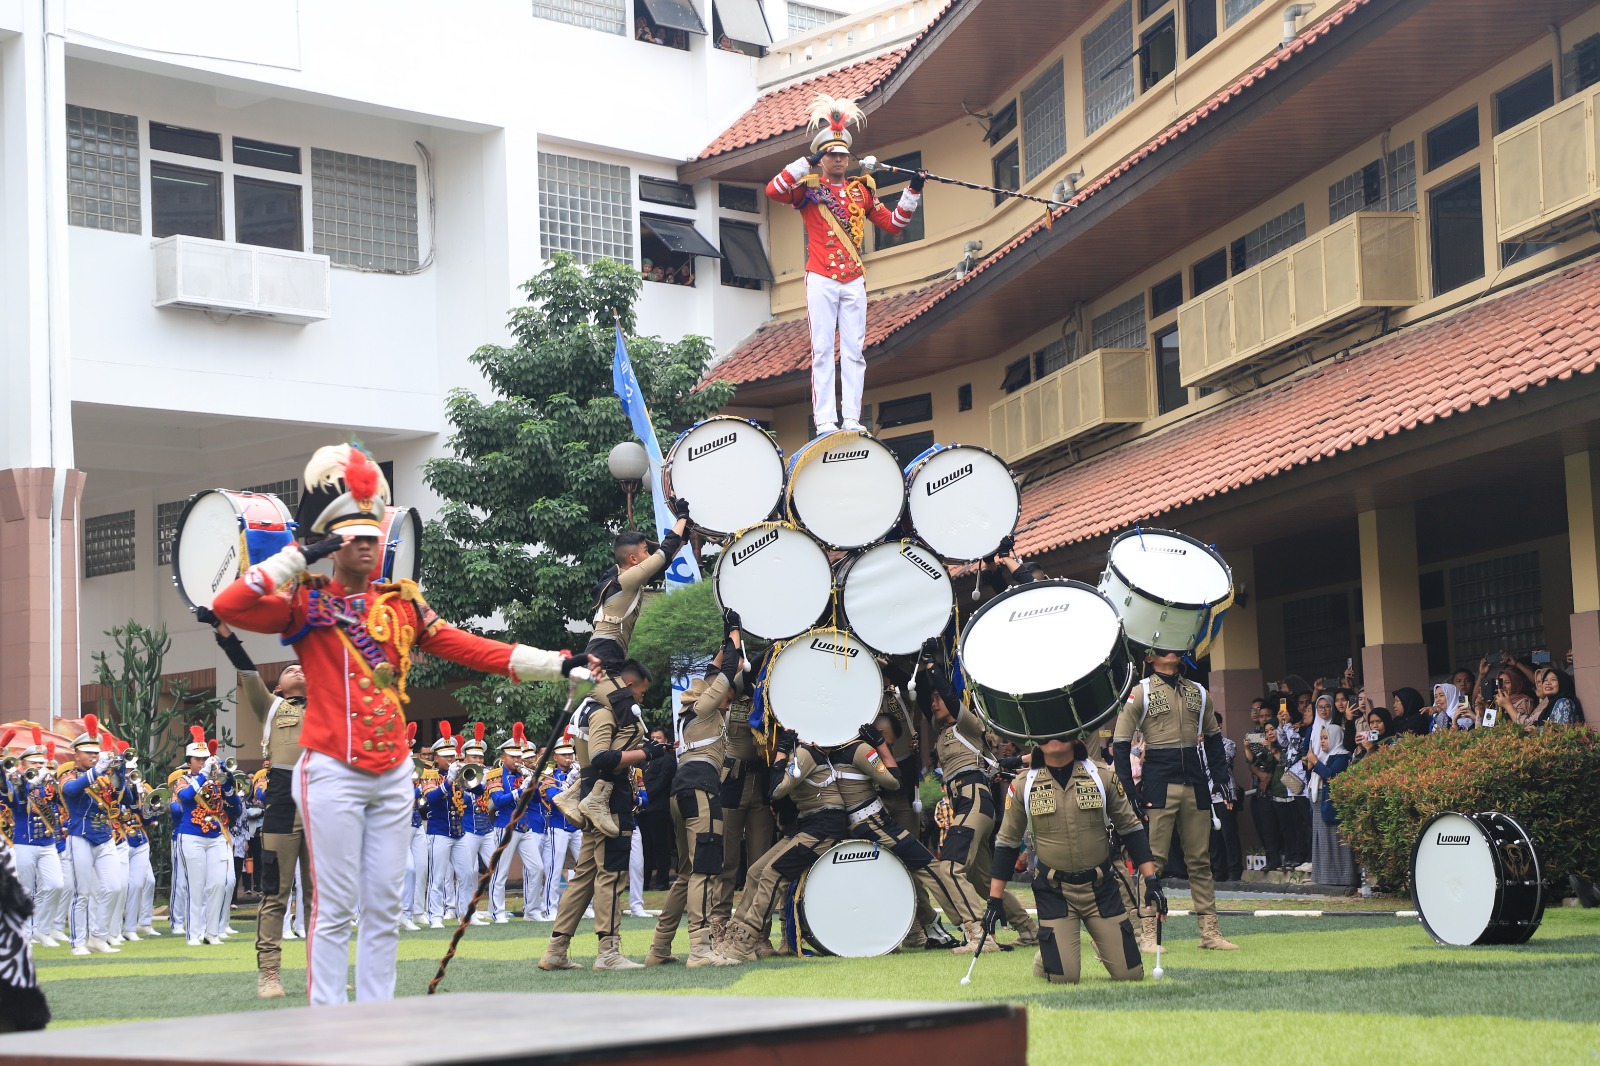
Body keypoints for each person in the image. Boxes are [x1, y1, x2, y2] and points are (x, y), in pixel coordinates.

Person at [212, 441, 570, 1005]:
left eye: (372, 534)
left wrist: (557, 666)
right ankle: (329, 1021)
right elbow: (231, 604)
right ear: (333, 542)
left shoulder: (404, 605)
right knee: (335, 906)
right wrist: (300, 555)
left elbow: (469, 648)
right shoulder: (307, 603)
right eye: (352, 537)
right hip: (330, 767)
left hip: (393, 771)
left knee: (385, 903)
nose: (368, 545)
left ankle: (377, 1018)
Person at [766, 93, 924, 435]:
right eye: (831, 155)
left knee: (854, 352)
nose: (838, 160)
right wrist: (804, 162)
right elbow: (774, 190)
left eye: (841, 155)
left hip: (853, 278)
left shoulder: (861, 191)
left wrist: (913, 189)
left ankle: (852, 418)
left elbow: (894, 224)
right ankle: (825, 420)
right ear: (823, 158)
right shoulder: (809, 188)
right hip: (821, 275)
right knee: (822, 349)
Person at [986, 734, 1161, 984]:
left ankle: (1098, 940)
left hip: (1101, 889)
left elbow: (1132, 831)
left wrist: (1152, 881)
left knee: (1130, 974)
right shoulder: (1024, 784)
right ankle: (1050, 951)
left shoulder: (1102, 776)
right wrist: (995, 901)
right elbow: (1006, 845)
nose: (1052, 737)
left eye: (1059, 730)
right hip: (1054, 891)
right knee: (1064, 977)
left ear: (1075, 734)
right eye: (1044, 733)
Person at [200, 612, 309, 998]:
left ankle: (321, 974)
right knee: (276, 890)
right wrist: (222, 630)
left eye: (302, 666)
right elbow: (244, 666)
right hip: (282, 796)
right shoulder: (271, 706)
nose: (298, 668)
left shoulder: (329, 703)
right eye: (289, 668)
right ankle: (270, 974)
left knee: (321, 894)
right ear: (277, 687)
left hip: (323, 796)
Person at [539, 660, 669, 971]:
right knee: (611, 873)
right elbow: (602, 758)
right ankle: (608, 951)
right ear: (626, 685)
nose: (641, 698)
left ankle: (556, 950)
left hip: (595, 796)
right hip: (609, 799)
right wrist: (647, 752)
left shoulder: (590, 708)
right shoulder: (603, 711)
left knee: (583, 876)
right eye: (640, 691)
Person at [1112, 649, 1239, 951]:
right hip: (1157, 781)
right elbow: (1119, 744)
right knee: (1152, 860)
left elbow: (1212, 737)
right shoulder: (1139, 692)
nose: (1173, 650)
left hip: (1195, 780)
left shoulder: (1199, 691)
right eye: (1164, 646)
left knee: (1200, 859)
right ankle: (1148, 933)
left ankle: (1210, 932)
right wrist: (1129, 791)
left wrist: (1221, 776)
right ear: (1150, 656)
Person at [915, 642, 1037, 952]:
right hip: (966, 804)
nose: (933, 703)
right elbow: (920, 701)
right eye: (931, 700)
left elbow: (952, 698)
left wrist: (934, 668)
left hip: (974, 798)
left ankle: (980, 935)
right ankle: (1029, 930)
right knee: (983, 881)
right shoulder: (942, 731)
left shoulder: (969, 725)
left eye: (937, 699)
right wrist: (917, 668)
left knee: (950, 868)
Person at [647, 618, 743, 967]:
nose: (727, 696)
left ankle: (659, 948)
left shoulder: (690, 716)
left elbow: (714, 669)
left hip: (680, 792)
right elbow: (728, 672)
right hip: (702, 790)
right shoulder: (705, 709)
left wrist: (723, 642)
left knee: (686, 874)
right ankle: (701, 949)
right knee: (704, 869)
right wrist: (735, 635)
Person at [710, 726, 847, 964]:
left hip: (824, 826)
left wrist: (781, 755)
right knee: (755, 872)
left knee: (773, 874)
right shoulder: (798, 752)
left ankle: (745, 941)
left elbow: (776, 791)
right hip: (807, 825)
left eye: (760, 740)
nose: (755, 746)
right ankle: (734, 935)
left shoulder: (802, 754)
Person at [58, 717, 129, 956]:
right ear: (76, 755)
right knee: (82, 892)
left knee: (115, 887)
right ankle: (78, 942)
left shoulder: (104, 776)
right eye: (87, 752)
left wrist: (120, 772)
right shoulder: (69, 774)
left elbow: (126, 798)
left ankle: (98, 936)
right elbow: (69, 791)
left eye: (95, 752)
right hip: (80, 836)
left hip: (104, 835)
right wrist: (94, 773)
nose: (93, 756)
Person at [172, 728, 242, 948]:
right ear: (189, 761)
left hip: (216, 836)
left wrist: (227, 780)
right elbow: (184, 797)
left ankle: (212, 932)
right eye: (198, 759)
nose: (202, 761)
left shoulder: (217, 780)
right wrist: (203, 775)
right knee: (196, 885)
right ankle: (194, 933)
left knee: (218, 884)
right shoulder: (182, 780)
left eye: (205, 758)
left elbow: (236, 809)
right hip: (191, 835)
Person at [3, 730, 66, 949]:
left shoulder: (48, 784)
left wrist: (51, 781)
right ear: (22, 764)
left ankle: (42, 929)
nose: (39, 766)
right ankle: (24, 932)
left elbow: (61, 802)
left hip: (47, 843)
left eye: (42, 762)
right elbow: (15, 799)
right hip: (24, 842)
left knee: (56, 885)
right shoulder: (17, 782)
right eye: (34, 762)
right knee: (26, 889)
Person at [489, 728, 540, 925]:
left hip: (524, 826)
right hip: (505, 826)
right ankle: (497, 912)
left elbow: (535, 801)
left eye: (519, 757)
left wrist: (533, 783)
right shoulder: (494, 775)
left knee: (537, 868)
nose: (518, 761)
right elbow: (499, 801)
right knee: (501, 871)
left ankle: (532, 910)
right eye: (513, 757)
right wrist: (520, 790)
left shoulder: (524, 773)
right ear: (503, 756)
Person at [421, 730, 468, 929]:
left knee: (467, 874)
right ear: (436, 757)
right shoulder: (429, 775)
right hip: (438, 831)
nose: (451, 759)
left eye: (453, 755)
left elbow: (476, 794)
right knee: (437, 877)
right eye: (446, 756)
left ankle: (465, 915)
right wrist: (448, 782)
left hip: (459, 831)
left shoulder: (459, 775)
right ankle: (435, 916)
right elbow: (430, 799)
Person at [1304, 723, 1358, 889]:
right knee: (1322, 840)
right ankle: (1324, 876)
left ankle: (1342, 878)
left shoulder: (1341, 757)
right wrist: (1310, 765)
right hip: (1319, 803)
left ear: (1335, 738)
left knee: (1335, 842)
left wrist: (1315, 762)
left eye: (1326, 738)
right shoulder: (1324, 756)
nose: (1322, 742)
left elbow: (1330, 775)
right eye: (1321, 738)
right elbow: (1314, 776)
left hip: (1331, 804)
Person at [537, 744, 582, 921]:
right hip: (558, 826)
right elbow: (554, 799)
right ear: (555, 757)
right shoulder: (549, 775)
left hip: (577, 825)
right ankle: (550, 908)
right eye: (563, 754)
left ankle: (587, 907)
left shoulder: (580, 772)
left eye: (570, 753)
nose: (568, 757)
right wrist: (569, 784)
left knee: (586, 867)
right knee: (555, 869)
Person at [458, 726, 496, 924]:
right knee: (469, 871)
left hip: (486, 828)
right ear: (465, 759)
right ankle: (466, 912)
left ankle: (495, 911)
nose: (479, 761)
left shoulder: (488, 775)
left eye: (481, 757)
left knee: (494, 868)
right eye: (474, 757)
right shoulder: (459, 775)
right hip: (467, 829)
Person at [639, 727, 676, 892]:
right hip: (642, 810)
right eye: (652, 737)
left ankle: (662, 882)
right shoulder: (643, 760)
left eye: (659, 737)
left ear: (666, 740)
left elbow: (661, 784)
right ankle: (644, 882)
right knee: (644, 847)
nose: (655, 740)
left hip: (658, 808)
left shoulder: (667, 760)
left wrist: (644, 796)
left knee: (661, 846)